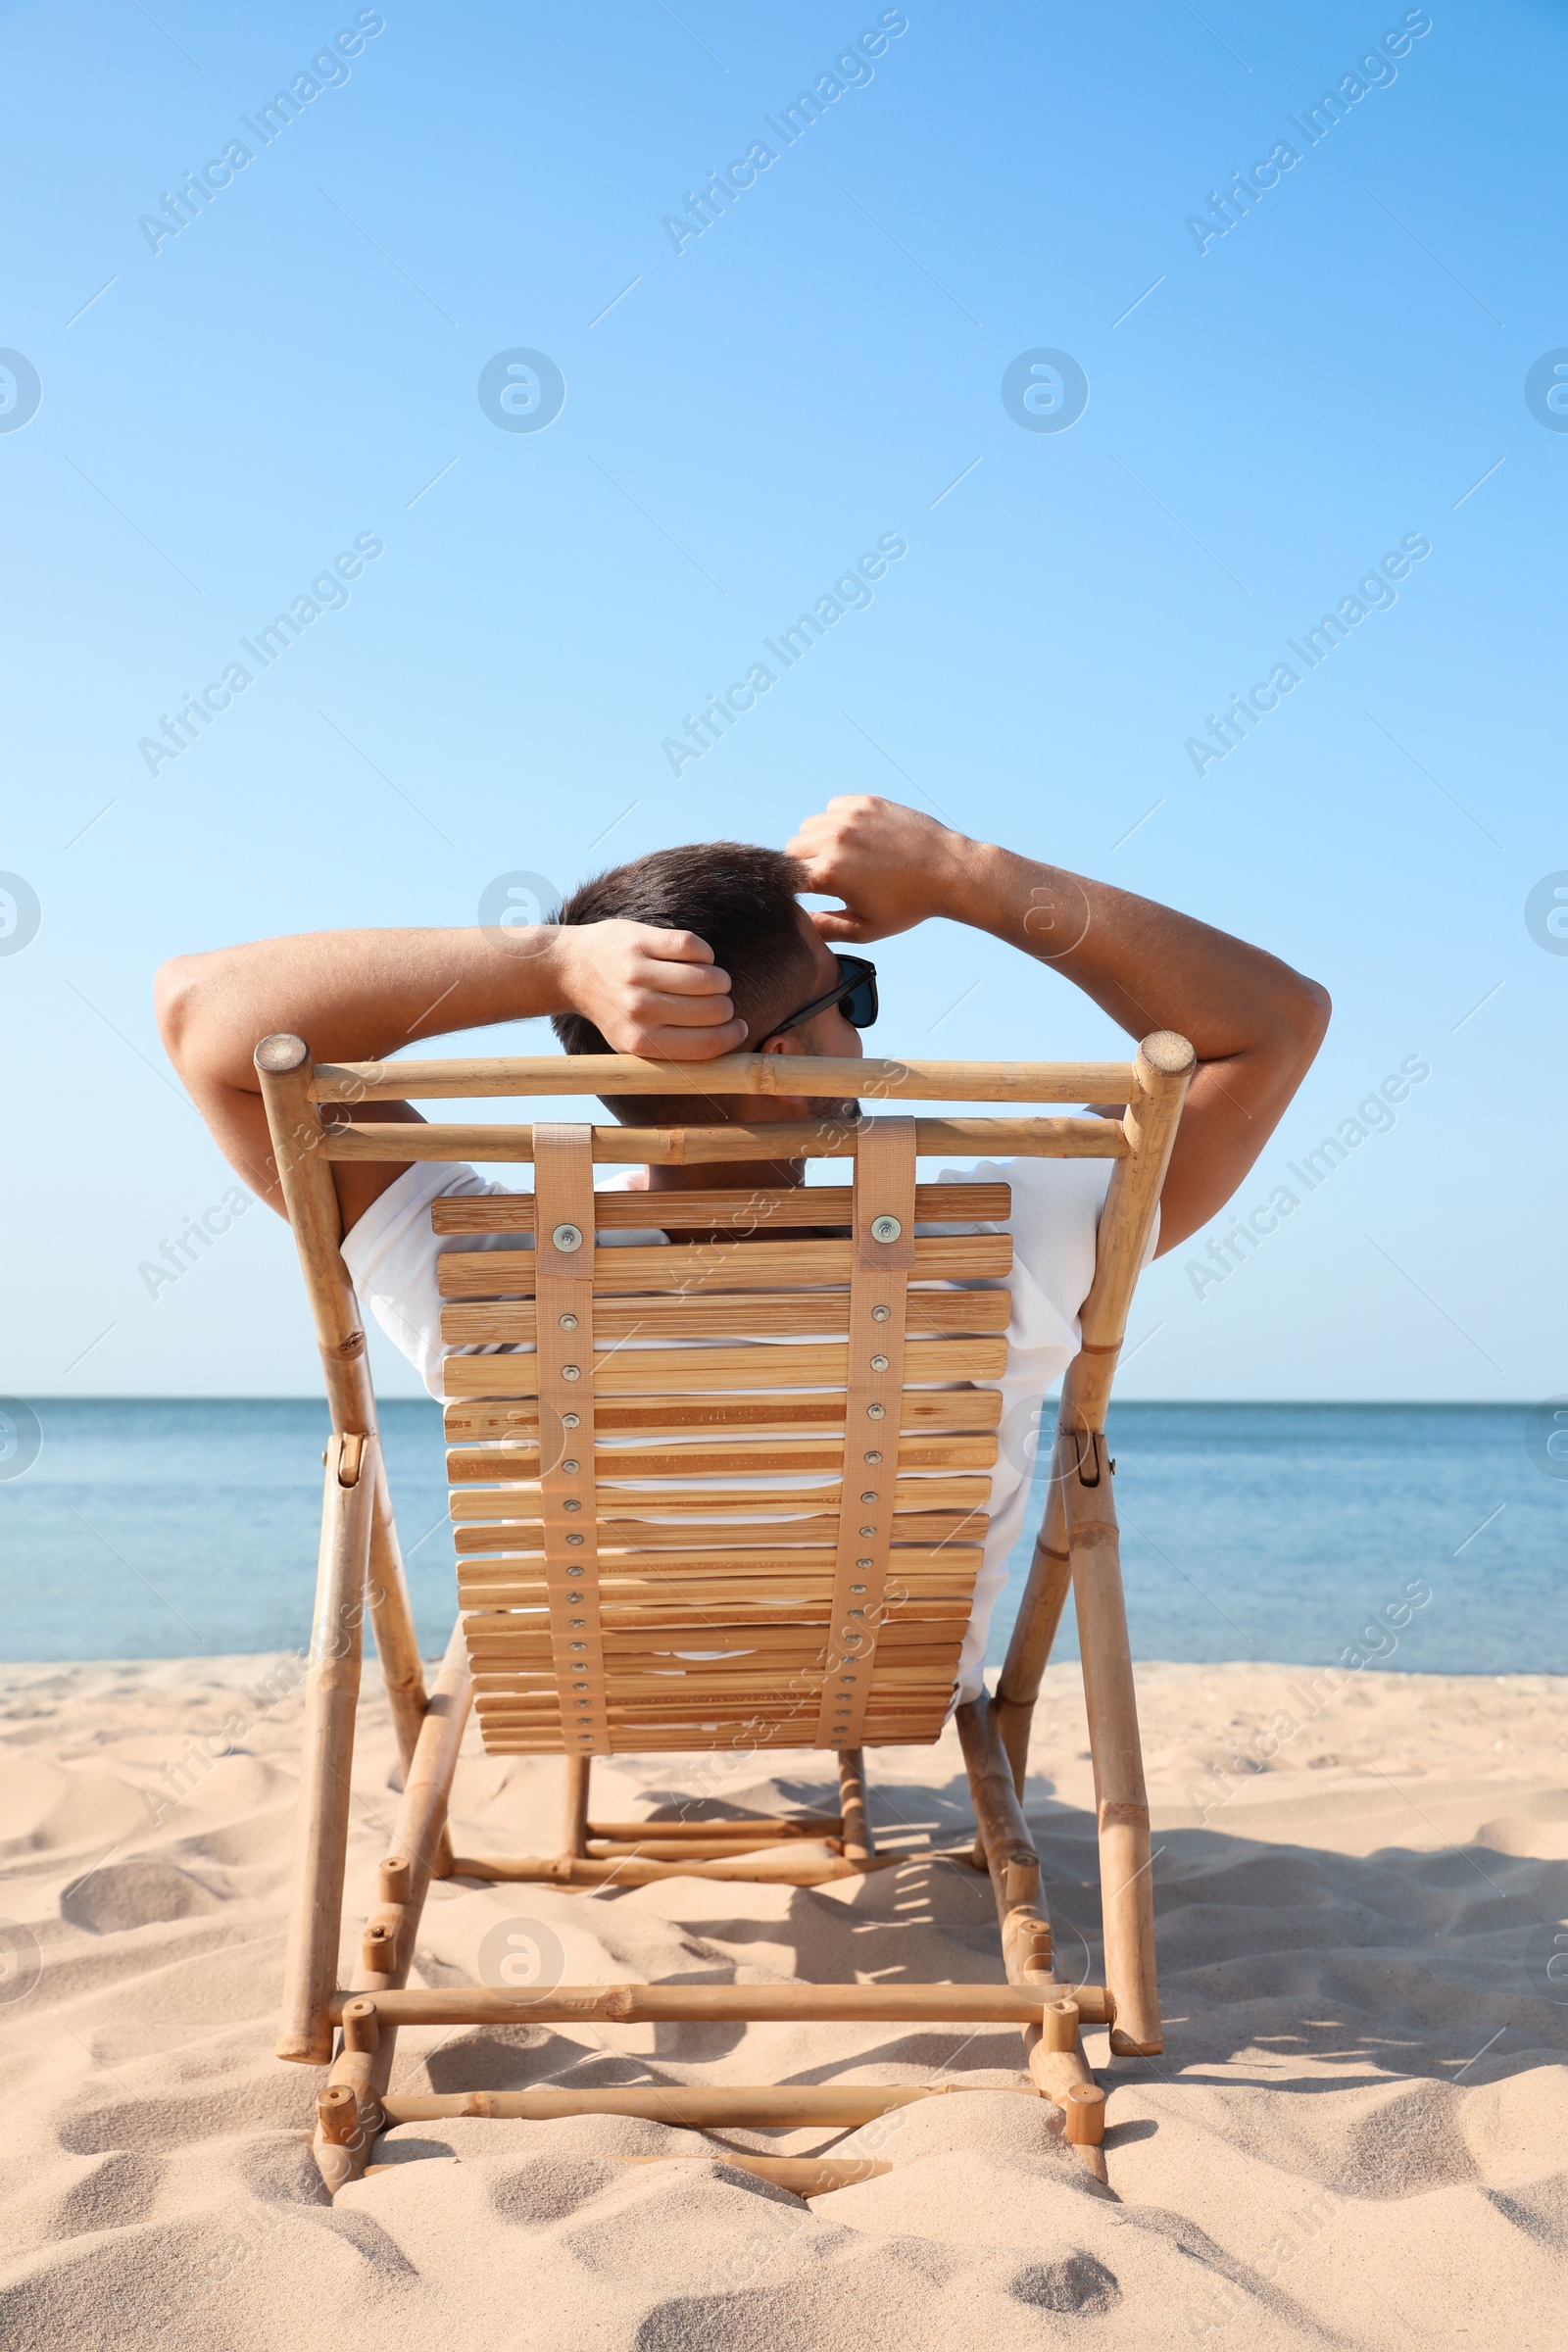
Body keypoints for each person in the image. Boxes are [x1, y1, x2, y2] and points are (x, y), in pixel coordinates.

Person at [157, 795, 1329, 1697]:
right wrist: (969, 877)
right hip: (892, 1684)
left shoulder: (480, 1263)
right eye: (846, 999)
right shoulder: (1002, 1237)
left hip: (587, 1685)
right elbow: (1271, 1025)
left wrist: (547, 965)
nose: (865, 1028)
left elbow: (201, 1014)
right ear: (788, 1065)